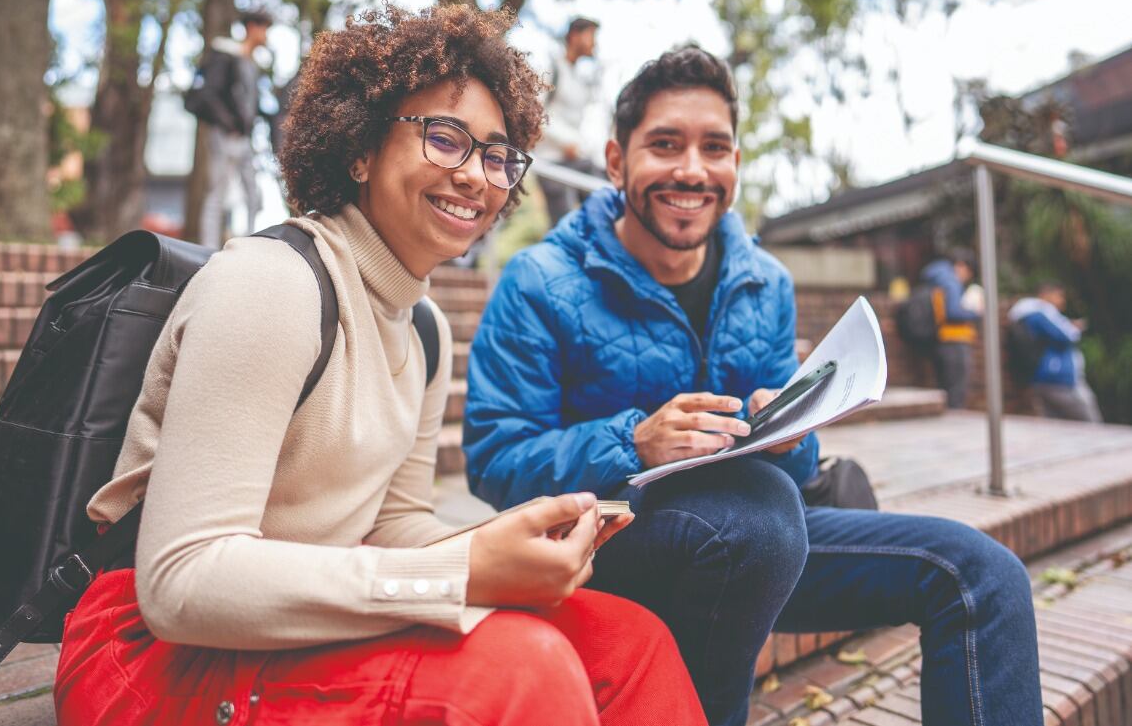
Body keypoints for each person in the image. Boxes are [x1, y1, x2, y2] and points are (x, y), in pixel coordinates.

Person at [52, 4, 705, 726]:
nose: (476, 176)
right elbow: (182, 583)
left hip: (303, 617)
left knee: (631, 642)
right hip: (149, 652)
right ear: (361, 148)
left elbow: (395, 526)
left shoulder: (424, 330)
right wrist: (457, 572)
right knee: (523, 670)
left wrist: (501, 542)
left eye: (496, 156)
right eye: (445, 138)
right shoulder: (271, 283)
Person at [463, 46, 1043, 726]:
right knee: (756, 518)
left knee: (983, 575)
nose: (692, 169)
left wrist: (790, 434)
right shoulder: (538, 281)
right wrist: (634, 441)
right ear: (616, 162)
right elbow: (495, 460)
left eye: (714, 148)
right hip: (604, 546)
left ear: (735, 165)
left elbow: (793, 472)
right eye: (665, 145)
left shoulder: (766, 282)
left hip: (763, 544)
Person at [196, 7, 273, 248]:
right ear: (252, 27)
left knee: (252, 194)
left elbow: (249, 102)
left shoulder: (252, 63)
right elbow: (209, 94)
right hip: (226, 135)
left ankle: (250, 245)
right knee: (217, 193)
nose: (266, 35)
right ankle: (207, 249)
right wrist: (228, 124)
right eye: (264, 29)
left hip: (245, 138)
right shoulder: (228, 56)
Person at [535, 16, 602, 224]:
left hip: (575, 160)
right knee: (562, 222)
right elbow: (535, 113)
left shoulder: (580, 78)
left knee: (601, 206)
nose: (594, 42)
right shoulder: (550, 69)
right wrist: (567, 142)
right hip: (550, 161)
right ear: (574, 36)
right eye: (591, 36)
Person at [1008, 281, 1103, 422]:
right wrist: (1073, 327)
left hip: (1046, 377)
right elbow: (1065, 336)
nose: (1062, 301)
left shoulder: (1031, 313)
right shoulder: (1038, 313)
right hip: (1058, 378)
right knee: (1091, 422)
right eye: (1059, 296)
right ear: (1046, 295)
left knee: (1055, 425)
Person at [920, 248, 981, 408]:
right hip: (954, 341)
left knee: (945, 389)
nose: (966, 278)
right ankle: (956, 420)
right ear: (961, 266)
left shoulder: (936, 277)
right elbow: (953, 312)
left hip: (939, 340)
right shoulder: (951, 281)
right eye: (969, 272)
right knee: (956, 392)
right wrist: (975, 313)